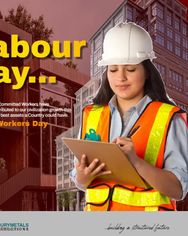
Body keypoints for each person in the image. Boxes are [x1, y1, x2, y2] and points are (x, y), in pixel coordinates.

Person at [70, 22, 188, 211]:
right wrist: (83, 176)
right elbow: (80, 181)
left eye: (130, 69)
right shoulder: (91, 115)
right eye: (113, 69)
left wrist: (136, 162)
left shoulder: (169, 118)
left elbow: (178, 190)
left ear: (147, 72)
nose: (121, 77)